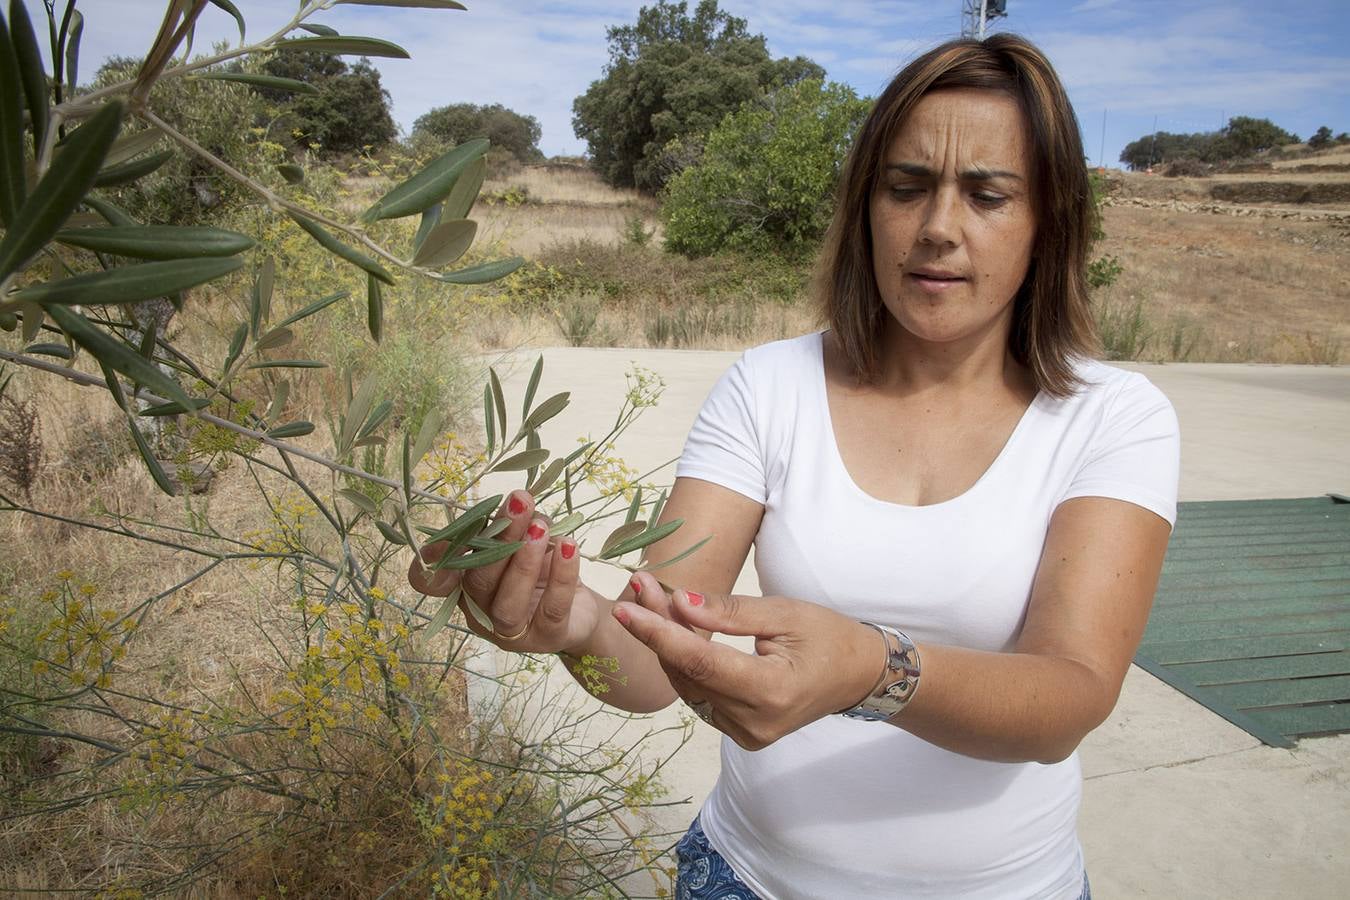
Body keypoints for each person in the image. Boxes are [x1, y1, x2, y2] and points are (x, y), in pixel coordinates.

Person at [409, 33, 1179, 900]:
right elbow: (661, 656)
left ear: (1049, 223)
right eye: (907, 186)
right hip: (747, 880)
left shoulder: (1114, 417)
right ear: (865, 207)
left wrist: (873, 670)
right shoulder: (767, 387)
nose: (938, 228)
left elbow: (1069, 696)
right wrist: (574, 624)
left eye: (988, 195)